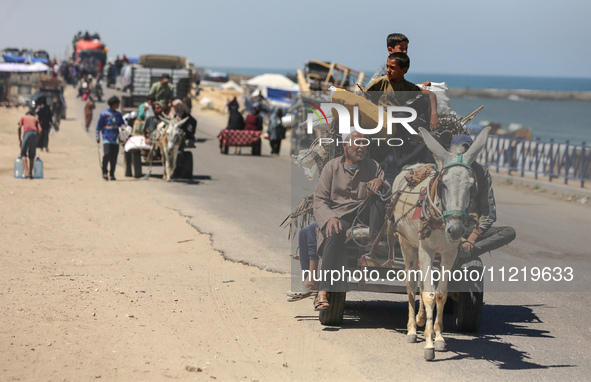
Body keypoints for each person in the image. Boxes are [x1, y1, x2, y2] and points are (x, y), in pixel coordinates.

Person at [313, 131, 387, 310]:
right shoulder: (332, 167)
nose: (362, 147)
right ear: (345, 145)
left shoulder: (373, 166)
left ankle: (374, 246)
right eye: (358, 142)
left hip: (365, 216)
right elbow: (319, 199)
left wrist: (381, 182)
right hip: (340, 216)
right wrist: (330, 217)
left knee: (378, 196)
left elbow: (388, 193)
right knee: (333, 231)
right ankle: (323, 291)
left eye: (365, 143)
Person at [449, 134, 516, 258]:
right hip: (446, 225)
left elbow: (489, 213)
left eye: (466, 151)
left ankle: (466, 251)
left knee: (508, 232)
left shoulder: (481, 173)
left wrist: (472, 239)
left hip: (467, 227)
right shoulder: (444, 171)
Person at [96, 96, 125, 181]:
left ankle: (112, 174)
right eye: (117, 104)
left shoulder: (118, 115)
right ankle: (104, 171)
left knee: (114, 157)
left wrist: (123, 127)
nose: (118, 105)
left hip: (116, 139)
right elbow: (98, 127)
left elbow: (122, 124)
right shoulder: (104, 114)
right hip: (106, 138)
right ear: (113, 104)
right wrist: (97, 136)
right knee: (107, 154)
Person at [17, 111, 42, 179]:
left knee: (23, 153)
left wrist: (20, 139)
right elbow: (40, 130)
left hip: (27, 133)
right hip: (35, 133)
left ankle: (27, 172)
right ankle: (31, 173)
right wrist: (37, 138)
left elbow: (19, 127)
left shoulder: (23, 117)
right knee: (32, 154)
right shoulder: (35, 118)